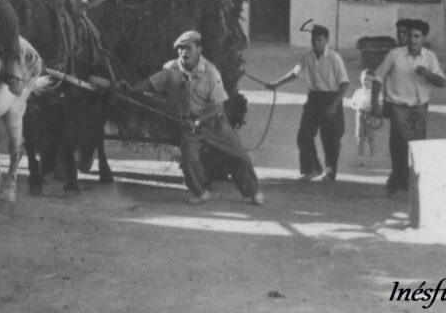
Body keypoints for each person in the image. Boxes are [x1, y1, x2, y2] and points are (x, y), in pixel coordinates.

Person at [121, 30, 264, 205]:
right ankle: (201, 192)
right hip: (188, 125)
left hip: (213, 122)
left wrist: (197, 121)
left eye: (188, 48)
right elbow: (150, 82)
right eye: (180, 49)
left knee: (239, 156)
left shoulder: (212, 73)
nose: (183, 52)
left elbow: (219, 106)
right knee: (189, 159)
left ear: (199, 50)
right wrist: (131, 90)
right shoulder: (170, 69)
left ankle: (253, 191)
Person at [265, 24, 349, 182]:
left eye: (319, 40)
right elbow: (295, 73)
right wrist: (277, 83)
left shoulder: (334, 58)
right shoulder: (307, 57)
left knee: (330, 138)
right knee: (304, 135)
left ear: (326, 40)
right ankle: (313, 168)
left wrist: (334, 106)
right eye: (313, 39)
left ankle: (330, 173)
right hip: (314, 99)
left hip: (331, 97)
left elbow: (344, 84)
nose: (315, 43)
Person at [371, 18, 445, 196]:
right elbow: (377, 78)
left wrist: (426, 73)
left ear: (423, 38)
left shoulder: (429, 57)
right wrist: (375, 105)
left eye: (417, 36)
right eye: (410, 35)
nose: (413, 40)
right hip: (398, 107)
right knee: (408, 144)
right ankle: (410, 183)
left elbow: (442, 82)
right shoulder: (395, 55)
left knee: (410, 146)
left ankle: (397, 181)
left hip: (419, 109)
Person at [349, 69, 381, 167]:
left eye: (370, 80)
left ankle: (373, 159)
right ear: (361, 79)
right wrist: (356, 107)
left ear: (373, 81)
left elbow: (379, 104)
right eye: (365, 79)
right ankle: (360, 158)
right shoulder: (358, 92)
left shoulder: (375, 93)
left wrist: (372, 108)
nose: (366, 82)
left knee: (372, 138)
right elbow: (352, 103)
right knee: (360, 137)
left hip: (371, 116)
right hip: (360, 115)